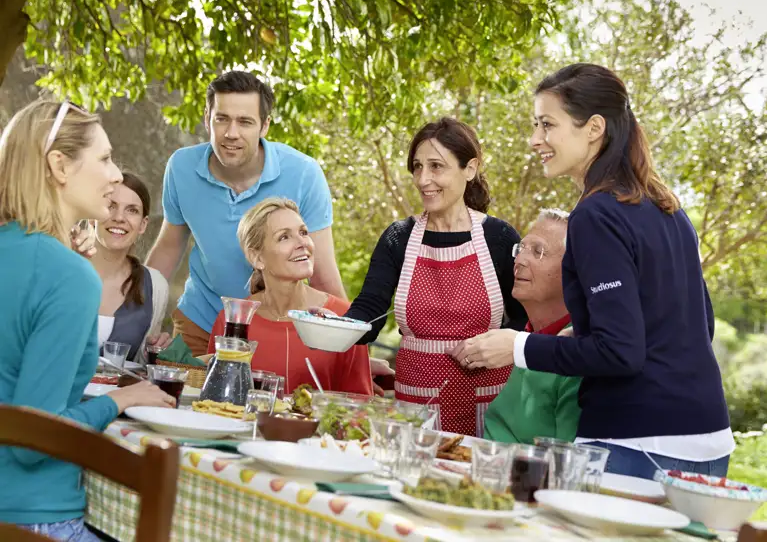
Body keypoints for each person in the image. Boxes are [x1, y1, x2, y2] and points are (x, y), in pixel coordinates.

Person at [450, 63, 733, 478]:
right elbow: (695, 326)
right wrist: (580, 334)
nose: (535, 140)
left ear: (594, 127)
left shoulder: (596, 214)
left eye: (548, 125)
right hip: (708, 440)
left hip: (637, 443)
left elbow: (620, 351)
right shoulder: (668, 209)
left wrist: (516, 347)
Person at [0, 100, 175, 540]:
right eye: (104, 158)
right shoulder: (69, 274)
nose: (116, 174)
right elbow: (30, 439)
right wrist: (119, 400)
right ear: (59, 165)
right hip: (33, 517)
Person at [344, 117, 527, 436]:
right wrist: (332, 328)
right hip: (415, 410)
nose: (422, 179)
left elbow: (525, 323)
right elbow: (369, 312)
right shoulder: (398, 238)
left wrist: (493, 347)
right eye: (417, 166)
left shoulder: (499, 238)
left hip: (490, 407)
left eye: (436, 166)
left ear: (469, 168)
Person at [145, 71, 345, 356]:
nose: (231, 133)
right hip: (200, 321)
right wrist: (135, 317)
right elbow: (168, 248)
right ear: (207, 119)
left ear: (264, 126)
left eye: (245, 122)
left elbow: (322, 276)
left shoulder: (304, 174)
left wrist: (353, 350)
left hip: (276, 327)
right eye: (222, 119)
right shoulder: (181, 167)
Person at [207, 198, 372, 395]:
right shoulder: (233, 319)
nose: (302, 243)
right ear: (257, 258)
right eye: (284, 237)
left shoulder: (344, 318)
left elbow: (359, 406)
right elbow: (215, 399)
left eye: (303, 232)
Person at [482, 209, 581, 443]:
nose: (519, 260)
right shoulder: (525, 336)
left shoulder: (579, 349)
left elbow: (567, 464)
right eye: (521, 248)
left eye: (538, 251)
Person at [91, 172, 171, 363]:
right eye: (111, 206)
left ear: (143, 225)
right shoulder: (61, 271)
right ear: (93, 212)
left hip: (117, 393)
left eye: (132, 210)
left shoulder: (154, 285)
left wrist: (154, 351)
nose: (119, 217)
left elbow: (140, 367)